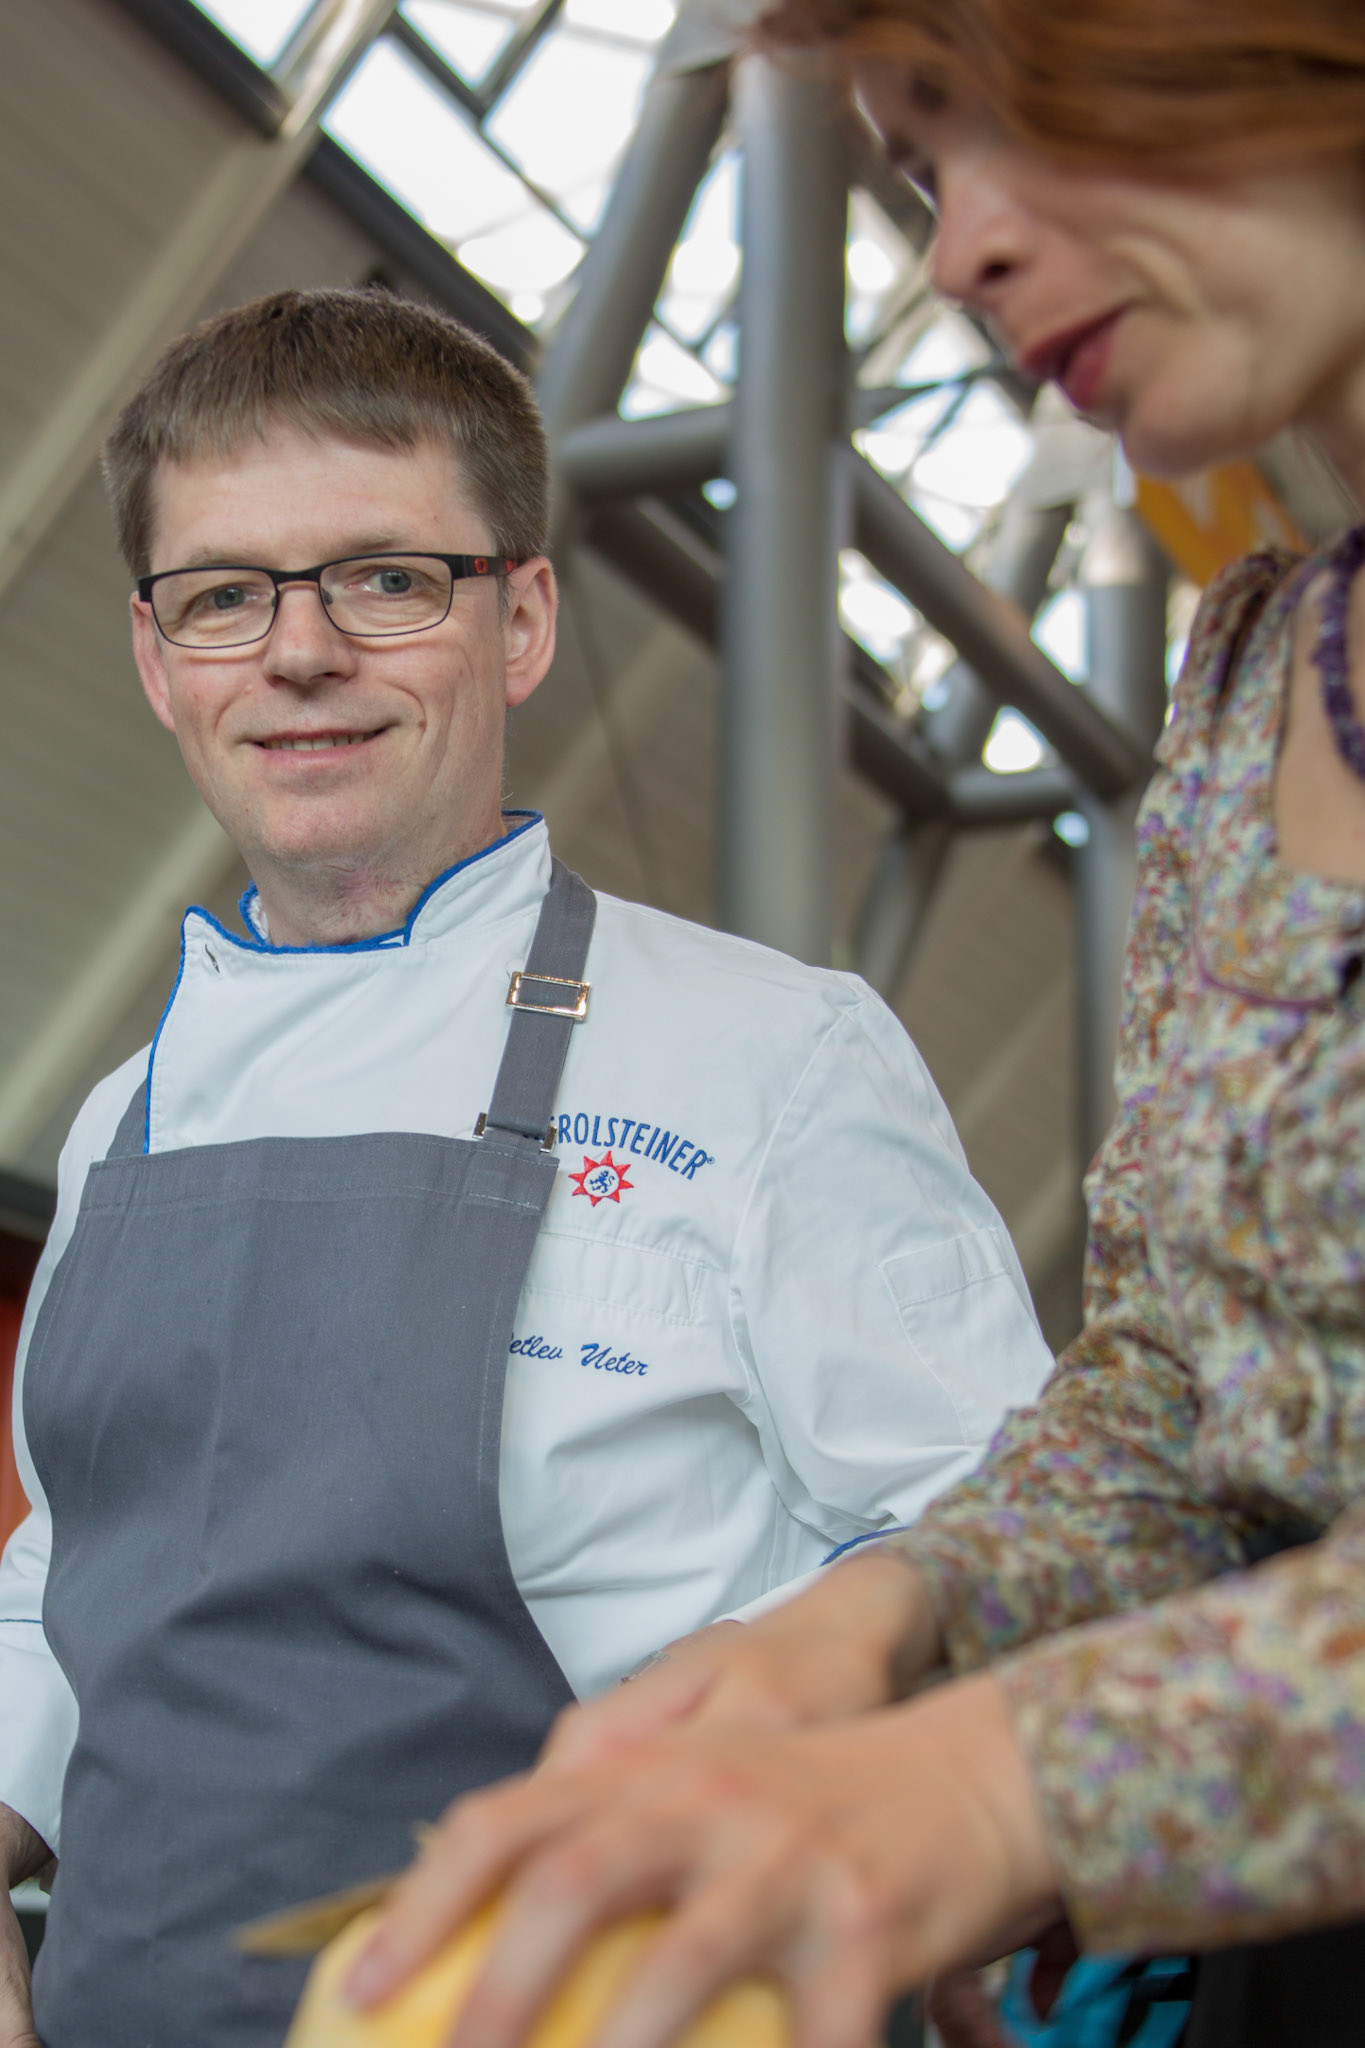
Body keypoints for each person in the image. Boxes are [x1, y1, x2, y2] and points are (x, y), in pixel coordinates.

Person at [342, 6, 1365, 2048]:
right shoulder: (1249, 680)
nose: (954, 247)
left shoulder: (785, 1046)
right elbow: (1177, 1379)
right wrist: (873, 1624)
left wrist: (983, 1786)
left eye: (1006, 108)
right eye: (915, 164)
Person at [0, 285, 1052, 2048]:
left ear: (524, 620)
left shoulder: (771, 1054)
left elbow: (1000, 1535)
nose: (300, 652)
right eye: (224, 595)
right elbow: (68, 1580)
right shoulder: (125, 1117)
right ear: (158, 658)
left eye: (386, 579)